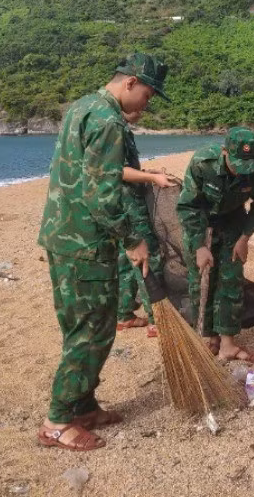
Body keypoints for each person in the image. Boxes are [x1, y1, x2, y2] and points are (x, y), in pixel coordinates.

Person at [36, 53, 169, 451]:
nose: (147, 104)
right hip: (86, 243)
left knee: (81, 326)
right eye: (148, 94)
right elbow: (102, 194)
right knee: (91, 332)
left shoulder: (82, 106)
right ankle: (58, 421)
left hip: (63, 235)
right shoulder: (108, 121)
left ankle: (84, 406)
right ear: (130, 82)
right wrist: (132, 239)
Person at [177, 127, 254, 363]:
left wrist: (245, 238)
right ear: (224, 152)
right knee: (201, 280)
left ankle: (228, 345)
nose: (242, 172)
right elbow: (188, 206)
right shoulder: (202, 163)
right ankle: (209, 337)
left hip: (233, 221)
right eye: (237, 165)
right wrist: (199, 246)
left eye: (247, 166)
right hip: (201, 222)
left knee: (231, 279)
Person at [115, 109, 178, 338]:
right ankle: (156, 320)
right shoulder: (114, 129)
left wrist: (146, 172)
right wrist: (152, 178)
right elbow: (118, 171)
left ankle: (124, 314)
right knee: (147, 255)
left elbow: (122, 169)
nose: (142, 111)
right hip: (129, 206)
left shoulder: (119, 128)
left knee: (126, 258)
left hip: (118, 206)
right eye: (140, 106)